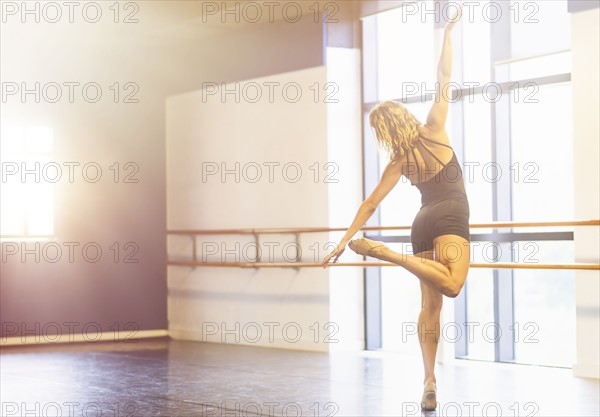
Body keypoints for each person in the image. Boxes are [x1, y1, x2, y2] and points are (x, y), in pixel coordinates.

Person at [321, 7, 469, 411]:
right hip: (451, 217)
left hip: (422, 224)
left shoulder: (398, 162)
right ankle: (389, 253)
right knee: (452, 286)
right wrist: (448, 33)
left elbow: (370, 203)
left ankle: (429, 379)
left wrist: (344, 241)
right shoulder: (435, 129)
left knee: (430, 307)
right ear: (404, 116)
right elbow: (444, 78)